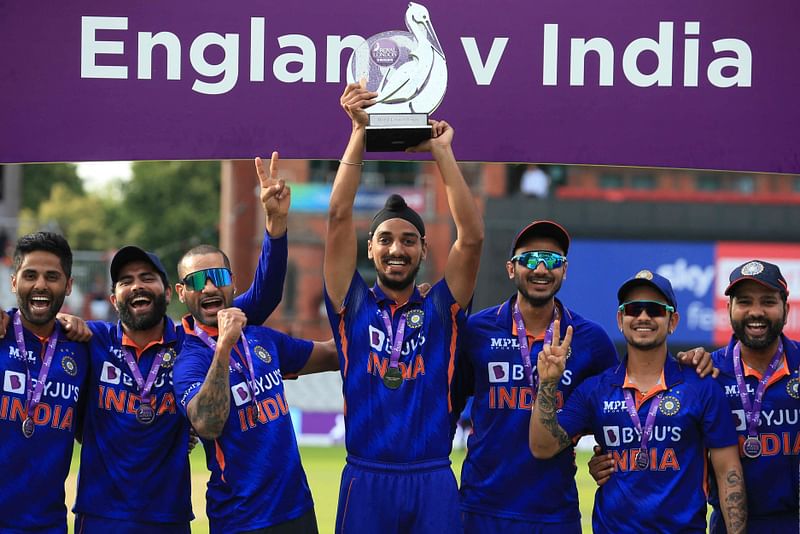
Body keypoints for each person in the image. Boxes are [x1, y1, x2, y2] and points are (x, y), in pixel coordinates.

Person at [71, 153, 291, 533]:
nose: (137, 285)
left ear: (168, 291)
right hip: (101, 515)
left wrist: (274, 226)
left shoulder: (191, 342)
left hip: (169, 517)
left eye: (146, 277)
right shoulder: (93, 339)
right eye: (125, 281)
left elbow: (265, 295)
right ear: (113, 298)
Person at [323, 82, 484, 533]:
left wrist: (441, 152)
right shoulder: (350, 303)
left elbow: (471, 238)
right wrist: (359, 132)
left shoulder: (440, 310)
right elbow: (338, 216)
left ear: (424, 249)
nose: (398, 249)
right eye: (386, 240)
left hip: (431, 477)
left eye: (409, 240)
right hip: (366, 477)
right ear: (370, 250)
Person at [589, 260, 799, 532]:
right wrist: (611, 458)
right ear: (729, 309)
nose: (756, 312)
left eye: (768, 302)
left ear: (786, 309)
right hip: (731, 522)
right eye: (745, 302)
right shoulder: (706, 372)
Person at [530, 270, 747, 533]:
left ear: (673, 321)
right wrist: (548, 383)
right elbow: (543, 447)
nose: (643, 317)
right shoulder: (595, 390)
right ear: (621, 319)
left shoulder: (702, 387)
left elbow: (728, 474)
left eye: (655, 310)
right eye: (634, 309)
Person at [451, 221, 618, 533]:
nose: (541, 268)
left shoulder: (590, 339)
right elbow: (447, 409)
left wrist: (606, 459)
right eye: (529, 259)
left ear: (564, 271)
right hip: (481, 508)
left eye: (553, 261)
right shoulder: (477, 331)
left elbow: (618, 411)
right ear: (511, 269)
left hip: (554, 512)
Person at [172, 244, 338, 533]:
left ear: (233, 282)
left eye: (218, 277)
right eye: (197, 281)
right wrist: (223, 346)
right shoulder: (189, 360)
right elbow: (208, 425)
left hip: (297, 508)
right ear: (181, 292)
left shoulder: (261, 338)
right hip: (240, 518)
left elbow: (333, 355)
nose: (209, 287)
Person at [0, 232, 89, 533]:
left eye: (52, 276)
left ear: (68, 285)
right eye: (30, 275)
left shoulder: (83, 347)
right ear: (14, 282)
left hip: (47, 524)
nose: (40, 285)